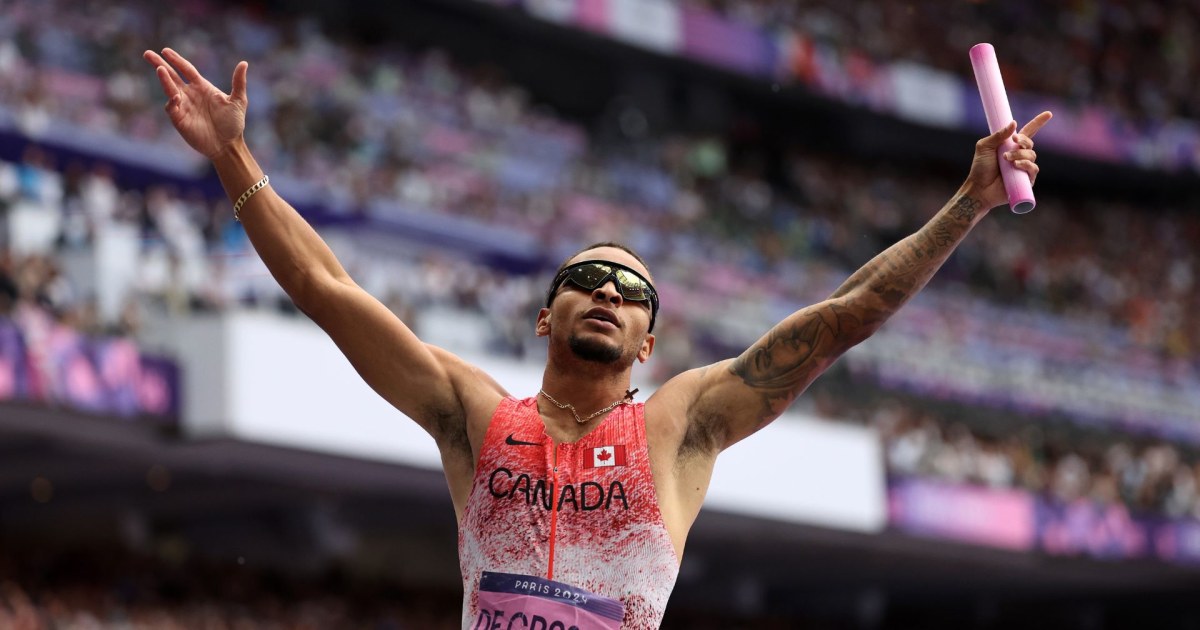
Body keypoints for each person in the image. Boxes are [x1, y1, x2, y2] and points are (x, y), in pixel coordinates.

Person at [143, 47, 1050, 629]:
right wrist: (234, 157)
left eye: (632, 291)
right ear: (547, 316)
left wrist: (968, 203)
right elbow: (325, 287)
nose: (608, 294)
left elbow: (843, 318)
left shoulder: (681, 425)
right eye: (585, 280)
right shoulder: (472, 416)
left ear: (649, 341)